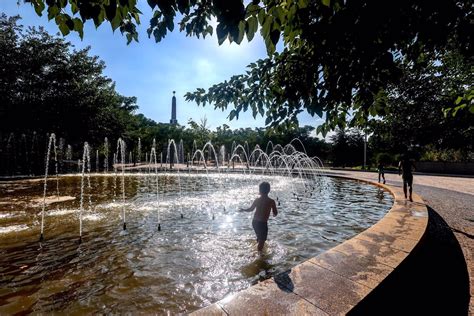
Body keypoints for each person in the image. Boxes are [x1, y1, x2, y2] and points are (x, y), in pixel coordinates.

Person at [239, 182, 278, 253]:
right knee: (262, 240)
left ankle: (258, 247)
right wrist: (274, 214)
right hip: (263, 223)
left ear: (259, 190)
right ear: (269, 190)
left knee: (259, 237)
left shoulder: (257, 200)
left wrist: (243, 210)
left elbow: (251, 209)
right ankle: (259, 254)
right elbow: (275, 212)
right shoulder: (271, 201)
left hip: (255, 222)